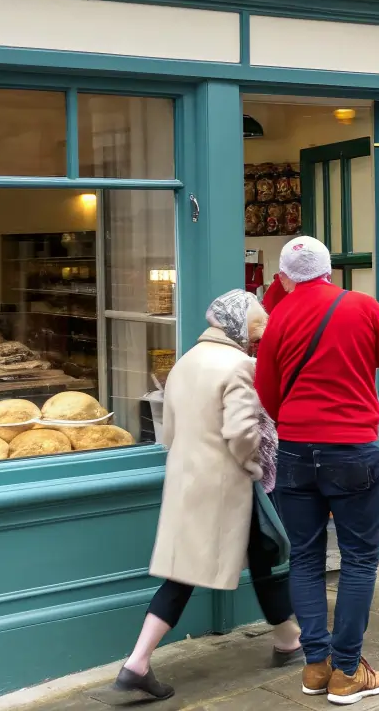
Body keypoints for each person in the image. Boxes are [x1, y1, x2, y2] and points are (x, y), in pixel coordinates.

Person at [113, 290, 302, 702]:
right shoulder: (240, 365)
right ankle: (137, 663)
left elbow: (169, 431)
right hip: (228, 485)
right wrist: (254, 466)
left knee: (256, 557)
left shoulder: (184, 363)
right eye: (255, 331)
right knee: (209, 570)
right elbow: (242, 433)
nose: (256, 340)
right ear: (239, 329)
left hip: (188, 481)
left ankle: (289, 639)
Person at [255, 237, 379, 706]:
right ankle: (347, 671)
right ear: (329, 271)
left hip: (299, 450)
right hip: (353, 449)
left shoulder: (278, 318)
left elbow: (267, 395)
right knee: (359, 559)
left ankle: (316, 665)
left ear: (284, 277)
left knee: (303, 558)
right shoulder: (362, 307)